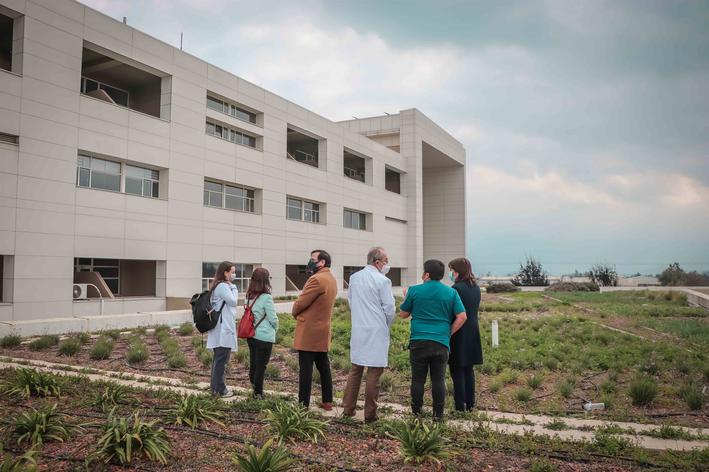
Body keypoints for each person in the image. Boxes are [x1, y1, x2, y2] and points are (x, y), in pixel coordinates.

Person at [399, 259, 467, 420]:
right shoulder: (451, 292)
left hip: (418, 341)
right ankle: (438, 415)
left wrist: (406, 297)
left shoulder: (414, 290)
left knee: (418, 379)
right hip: (441, 342)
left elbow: (403, 314)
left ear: (427, 274)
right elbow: (462, 316)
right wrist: (448, 333)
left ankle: (416, 413)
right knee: (438, 380)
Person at [342, 247, 396, 423]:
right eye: (386, 261)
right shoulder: (383, 281)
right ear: (377, 262)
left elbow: (351, 301)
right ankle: (370, 414)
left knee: (356, 369)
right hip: (376, 329)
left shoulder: (354, 278)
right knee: (374, 372)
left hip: (359, 328)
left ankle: (348, 409)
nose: (387, 264)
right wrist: (386, 324)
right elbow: (389, 308)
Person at [292, 249, 338, 409]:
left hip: (309, 331)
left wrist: (294, 312)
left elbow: (301, 302)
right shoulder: (331, 279)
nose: (310, 262)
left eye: (313, 259)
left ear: (322, 262)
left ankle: (303, 404)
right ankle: (327, 401)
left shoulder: (316, 279)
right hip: (323, 330)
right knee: (323, 367)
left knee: (306, 370)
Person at [447, 258, 483, 411]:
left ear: (457, 271)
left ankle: (459, 405)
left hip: (458, 331)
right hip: (473, 330)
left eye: (451, 270)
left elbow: (452, 312)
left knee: (457, 369)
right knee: (469, 369)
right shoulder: (476, 287)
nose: (450, 273)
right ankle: (470, 404)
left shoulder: (456, 289)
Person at [245, 267, 279, 397]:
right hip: (264, 337)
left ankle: (254, 388)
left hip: (251, 335)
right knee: (261, 366)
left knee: (254, 364)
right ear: (265, 280)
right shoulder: (266, 298)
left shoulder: (249, 296)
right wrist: (275, 329)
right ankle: (258, 394)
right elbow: (273, 319)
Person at [207, 261, 239, 398]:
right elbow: (233, 301)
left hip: (220, 328)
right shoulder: (223, 286)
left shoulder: (218, 285)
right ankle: (220, 390)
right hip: (222, 329)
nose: (234, 275)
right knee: (221, 360)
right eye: (232, 272)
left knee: (218, 360)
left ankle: (215, 388)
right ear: (225, 272)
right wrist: (234, 288)